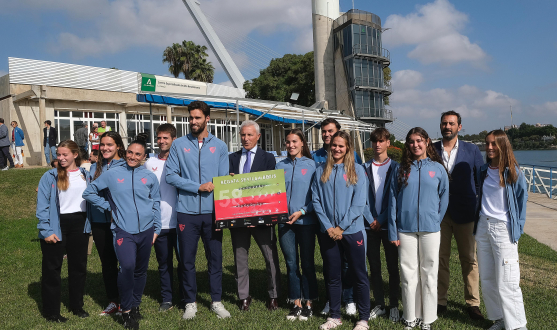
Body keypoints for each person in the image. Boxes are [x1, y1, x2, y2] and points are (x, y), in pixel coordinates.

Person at [83, 139, 161, 330]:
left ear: (144, 157)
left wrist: (157, 229)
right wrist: (108, 206)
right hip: (123, 230)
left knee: (140, 271)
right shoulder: (112, 174)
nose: (133, 157)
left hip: (147, 230)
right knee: (127, 267)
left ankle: (135, 305)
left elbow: (156, 202)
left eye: (138, 154)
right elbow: (89, 192)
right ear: (126, 152)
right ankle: (125, 310)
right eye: (130, 153)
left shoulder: (149, 176)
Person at [165, 101, 231, 320]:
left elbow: (222, 180)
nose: (193, 122)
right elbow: (171, 176)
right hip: (187, 211)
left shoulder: (220, 146)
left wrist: (228, 184)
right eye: (191, 118)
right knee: (186, 260)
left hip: (213, 212)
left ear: (207, 119)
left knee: (215, 258)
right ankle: (190, 302)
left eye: (197, 118)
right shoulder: (178, 145)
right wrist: (197, 187)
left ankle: (216, 301)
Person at [389, 127, 449, 330]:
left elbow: (444, 198)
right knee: (408, 275)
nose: (415, 145)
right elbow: (392, 201)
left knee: (429, 273)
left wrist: (434, 220)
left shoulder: (438, 169)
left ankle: (428, 319)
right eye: (412, 141)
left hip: (430, 229)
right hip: (405, 230)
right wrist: (393, 229)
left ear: (427, 142)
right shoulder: (400, 169)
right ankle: (410, 316)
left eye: (419, 140)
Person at [312, 130, 370, 330]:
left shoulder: (358, 171)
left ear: (348, 148)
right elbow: (316, 200)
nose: (336, 149)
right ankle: (334, 316)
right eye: (334, 145)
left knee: (359, 274)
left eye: (341, 146)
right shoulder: (320, 170)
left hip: (352, 231)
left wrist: (340, 227)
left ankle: (363, 318)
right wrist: (329, 227)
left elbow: (359, 203)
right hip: (328, 232)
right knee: (333, 275)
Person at [433, 111, 485, 319]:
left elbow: (480, 181)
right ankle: (440, 300)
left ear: (459, 127)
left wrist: (480, 209)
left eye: (451, 123)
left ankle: (473, 303)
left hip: (466, 213)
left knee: (469, 259)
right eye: (444, 123)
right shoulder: (432, 149)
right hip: (440, 214)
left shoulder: (472, 150)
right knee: (440, 259)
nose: (447, 126)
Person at [474, 130, 528, 330]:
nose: (489, 148)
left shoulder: (513, 171)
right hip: (483, 226)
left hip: (503, 229)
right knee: (488, 278)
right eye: (487, 143)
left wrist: (518, 227)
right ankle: (500, 319)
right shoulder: (482, 170)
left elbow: (522, 199)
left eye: (493, 144)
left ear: (502, 146)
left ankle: (518, 325)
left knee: (508, 280)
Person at [228, 120, 281, 312]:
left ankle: (274, 295)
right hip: (238, 218)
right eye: (243, 135)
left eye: (250, 135)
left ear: (258, 136)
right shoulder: (232, 158)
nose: (246, 138)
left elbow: (269, 188)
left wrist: (255, 216)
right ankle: (244, 296)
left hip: (262, 218)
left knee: (270, 257)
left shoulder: (268, 158)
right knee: (240, 258)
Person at [36, 140, 91, 322]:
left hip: (80, 224)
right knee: (52, 269)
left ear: (75, 155)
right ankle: (51, 311)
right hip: (57, 224)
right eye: (58, 155)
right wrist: (46, 230)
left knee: (78, 268)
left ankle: (77, 306)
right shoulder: (50, 176)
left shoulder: (85, 175)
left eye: (64, 154)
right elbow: (42, 206)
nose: (60, 158)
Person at [275, 128, 318, 321]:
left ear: (302, 143)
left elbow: (316, 196)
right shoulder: (279, 165)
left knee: (307, 263)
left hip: (305, 221)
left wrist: (302, 211)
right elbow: (272, 193)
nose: (291, 145)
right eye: (288, 142)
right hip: (284, 223)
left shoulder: (312, 165)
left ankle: (309, 302)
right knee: (291, 264)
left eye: (294, 142)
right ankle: (295, 302)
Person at [144, 124, 184, 312]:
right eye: (159, 138)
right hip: (159, 223)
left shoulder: (182, 163)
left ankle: (186, 297)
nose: (161, 141)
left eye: (165, 138)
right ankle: (167, 299)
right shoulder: (148, 163)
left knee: (185, 262)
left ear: (173, 140)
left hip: (182, 221)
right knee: (164, 263)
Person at [362, 128, 400, 322]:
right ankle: (379, 303)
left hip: (390, 226)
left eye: (381, 141)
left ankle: (394, 304)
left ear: (388, 142)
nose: (377, 145)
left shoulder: (397, 167)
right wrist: (371, 220)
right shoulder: (363, 168)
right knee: (374, 267)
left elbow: (397, 198)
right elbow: (360, 198)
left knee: (393, 268)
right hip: (370, 227)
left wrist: (382, 219)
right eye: (374, 141)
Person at [87, 131, 127, 316]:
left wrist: (114, 209)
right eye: (102, 145)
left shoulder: (127, 166)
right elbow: (88, 192)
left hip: (122, 222)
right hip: (99, 222)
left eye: (109, 144)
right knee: (107, 263)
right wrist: (108, 207)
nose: (105, 148)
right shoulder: (94, 168)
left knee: (125, 263)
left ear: (118, 145)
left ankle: (127, 301)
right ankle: (113, 301)